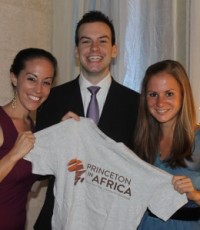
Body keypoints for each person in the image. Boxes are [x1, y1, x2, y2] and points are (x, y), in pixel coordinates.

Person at [34, 10, 140, 229]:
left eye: (102, 41)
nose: (94, 49)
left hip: (112, 221)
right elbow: (36, 170)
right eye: (86, 42)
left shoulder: (137, 104)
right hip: (57, 220)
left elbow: (141, 169)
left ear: (114, 50)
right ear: (76, 51)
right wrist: (58, 141)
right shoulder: (50, 99)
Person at [133, 60, 200, 229]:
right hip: (146, 224)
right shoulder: (143, 140)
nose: (160, 103)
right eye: (153, 94)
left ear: (183, 95)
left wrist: (195, 195)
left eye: (169, 94)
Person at [0, 47, 57, 230]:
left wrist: (66, 130)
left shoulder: (32, 127)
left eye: (46, 82)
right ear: (14, 77)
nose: (39, 89)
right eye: (32, 78)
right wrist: (14, 154)